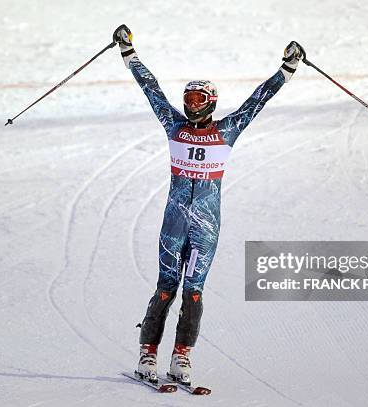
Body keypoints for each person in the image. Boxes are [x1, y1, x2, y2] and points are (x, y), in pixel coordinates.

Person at [112, 24, 303, 385]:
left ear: (211, 102)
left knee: (194, 292)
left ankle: (182, 356)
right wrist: (128, 52)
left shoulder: (227, 131)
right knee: (166, 287)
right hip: (174, 225)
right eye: (189, 99)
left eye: (199, 100)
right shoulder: (174, 126)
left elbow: (256, 101)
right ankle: (147, 353)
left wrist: (287, 69)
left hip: (206, 228)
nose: (191, 105)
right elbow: (150, 89)